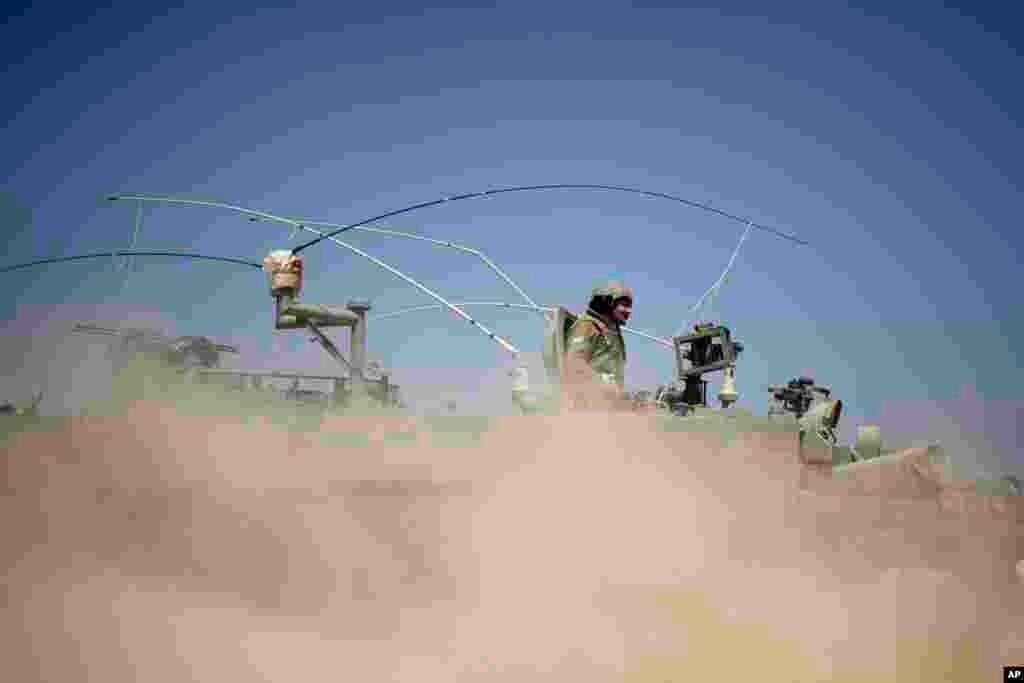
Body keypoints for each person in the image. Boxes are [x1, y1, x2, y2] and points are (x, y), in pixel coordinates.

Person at [562, 280, 633, 411]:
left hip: (608, 406)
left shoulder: (612, 332)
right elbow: (574, 364)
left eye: (630, 306)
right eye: (624, 305)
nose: (629, 311)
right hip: (586, 406)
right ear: (607, 303)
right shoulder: (587, 326)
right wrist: (604, 383)